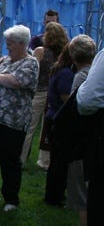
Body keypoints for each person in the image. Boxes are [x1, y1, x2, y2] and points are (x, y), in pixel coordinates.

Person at [0, 25, 39, 211]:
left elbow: (16, 81)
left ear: (22, 44)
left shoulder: (31, 62)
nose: (7, 47)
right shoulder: (3, 59)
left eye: (11, 44)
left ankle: (11, 198)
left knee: (10, 160)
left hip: (14, 121)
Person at [64, 35, 96, 226]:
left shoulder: (79, 78)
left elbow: (74, 110)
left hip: (81, 141)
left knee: (80, 192)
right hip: (91, 139)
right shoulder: (93, 76)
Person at [22, 21, 68, 169]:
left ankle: (20, 157)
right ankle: (45, 161)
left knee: (29, 126)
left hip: (39, 91)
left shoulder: (40, 51)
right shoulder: (64, 54)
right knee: (47, 129)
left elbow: (32, 70)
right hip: (54, 92)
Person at [43, 44, 75, 206]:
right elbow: (65, 98)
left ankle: (52, 195)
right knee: (59, 161)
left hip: (52, 117)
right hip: (58, 119)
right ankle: (55, 197)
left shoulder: (59, 69)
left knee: (56, 160)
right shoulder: (66, 74)